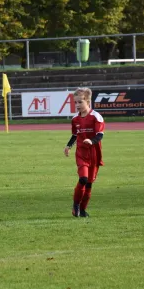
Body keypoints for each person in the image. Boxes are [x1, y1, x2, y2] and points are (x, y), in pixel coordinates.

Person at [64, 87, 105, 217]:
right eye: (75, 102)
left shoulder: (96, 117)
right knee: (83, 179)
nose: (77, 105)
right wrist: (68, 146)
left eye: (80, 102)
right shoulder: (75, 119)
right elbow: (75, 135)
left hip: (94, 154)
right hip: (81, 154)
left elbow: (100, 135)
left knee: (89, 184)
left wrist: (91, 141)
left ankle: (82, 210)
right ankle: (75, 205)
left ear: (88, 101)